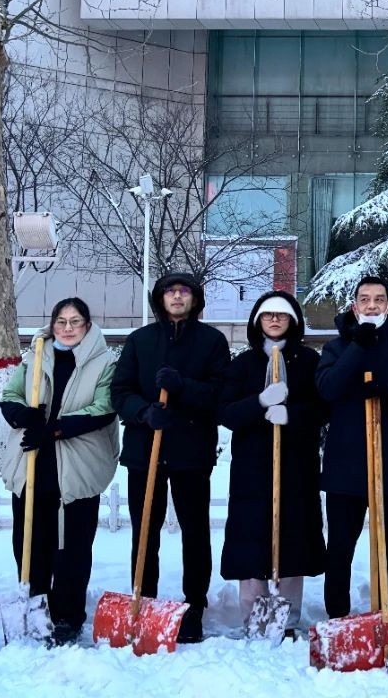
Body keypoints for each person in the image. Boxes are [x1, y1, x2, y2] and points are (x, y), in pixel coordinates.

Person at [110, 271, 229, 644]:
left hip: (191, 451)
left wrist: (183, 387)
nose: (177, 296)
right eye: (170, 291)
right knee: (145, 530)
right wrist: (144, 412)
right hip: (145, 451)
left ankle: (194, 607)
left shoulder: (212, 341)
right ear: (160, 299)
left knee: (195, 533)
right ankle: (143, 600)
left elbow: (219, 393)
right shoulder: (140, 340)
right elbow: (119, 391)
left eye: (184, 291)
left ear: (195, 299)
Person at [0, 297, 119, 646]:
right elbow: (11, 394)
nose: (68, 328)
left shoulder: (104, 362)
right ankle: (35, 604)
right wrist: (23, 415)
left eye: (75, 321)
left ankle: (67, 613)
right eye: (61, 321)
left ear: (87, 325)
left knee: (73, 545)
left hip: (78, 467)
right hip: (32, 463)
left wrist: (53, 429)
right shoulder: (36, 355)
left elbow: (104, 407)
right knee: (30, 540)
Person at [315, 276, 388, 619]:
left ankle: (387, 613)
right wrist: (357, 347)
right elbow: (327, 389)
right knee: (340, 548)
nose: (372, 305)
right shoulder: (336, 348)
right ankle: (338, 617)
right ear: (355, 306)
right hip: (345, 465)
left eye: (379, 299)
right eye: (365, 299)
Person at [218, 290, 326, 632]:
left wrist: (291, 414)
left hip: (296, 465)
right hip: (252, 468)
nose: (275, 320)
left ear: (293, 321)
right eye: (268, 315)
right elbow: (226, 412)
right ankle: (254, 616)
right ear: (257, 321)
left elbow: (324, 408)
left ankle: (287, 618)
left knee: (292, 539)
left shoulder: (308, 361)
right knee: (251, 541)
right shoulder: (243, 364)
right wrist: (260, 402)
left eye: (281, 315)